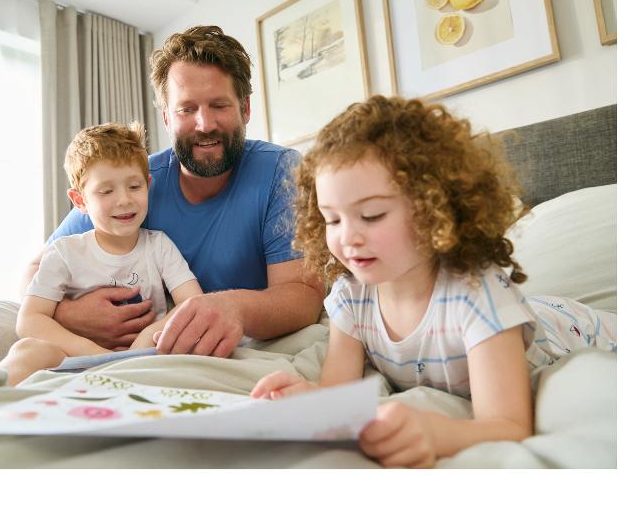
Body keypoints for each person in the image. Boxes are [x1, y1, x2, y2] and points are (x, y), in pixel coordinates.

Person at [251, 95, 617, 468]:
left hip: (573, 328)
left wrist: (436, 432)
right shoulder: (351, 297)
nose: (347, 237)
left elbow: (509, 425)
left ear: (433, 208)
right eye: (332, 219)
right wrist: (304, 400)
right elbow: (336, 389)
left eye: (372, 215)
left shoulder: (478, 296)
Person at [21, 26, 325, 357]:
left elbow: (304, 296)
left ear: (245, 109)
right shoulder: (132, 182)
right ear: (166, 117)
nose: (205, 124)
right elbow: (34, 272)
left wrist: (230, 308)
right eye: (187, 109)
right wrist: (70, 314)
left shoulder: (282, 172)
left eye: (219, 105)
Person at [3, 122, 203, 386]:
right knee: (29, 349)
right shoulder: (64, 253)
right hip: (76, 360)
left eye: (134, 187)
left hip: (146, 361)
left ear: (148, 184)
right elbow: (29, 320)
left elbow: (193, 302)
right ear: (80, 201)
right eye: (106, 191)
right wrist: (94, 353)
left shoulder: (159, 246)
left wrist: (147, 337)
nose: (124, 200)